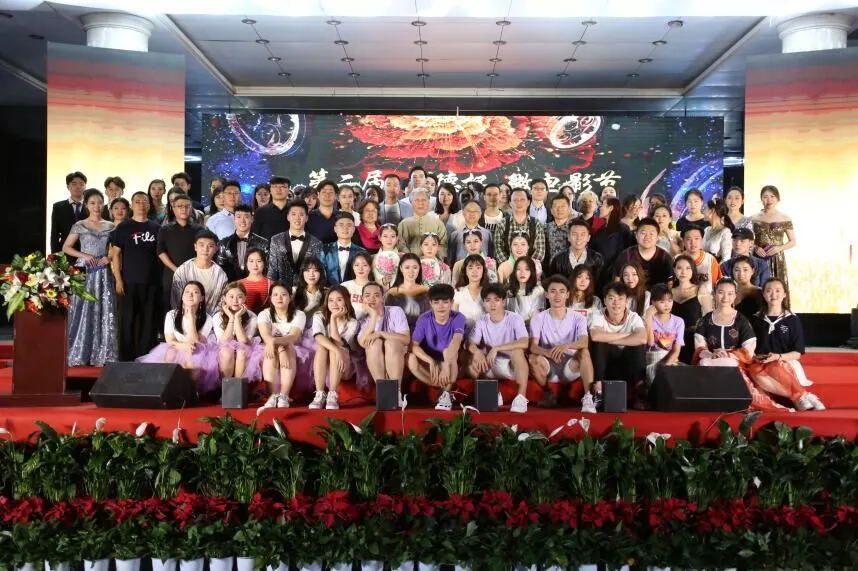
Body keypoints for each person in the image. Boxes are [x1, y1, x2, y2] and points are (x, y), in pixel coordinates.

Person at [693, 278, 789, 411]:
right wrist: (711, 354)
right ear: (714, 294)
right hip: (711, 358)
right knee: (704, 363)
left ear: (735, 296)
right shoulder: (705, 320)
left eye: (730, 293)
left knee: (729, 364)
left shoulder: (741, 320)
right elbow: (699, 345)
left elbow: (749, 348)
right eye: (720, 292)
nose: (725, 297)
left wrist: (728, 355)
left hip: (735, 361)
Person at [748, 278, 825, 411]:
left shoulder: (792, 319)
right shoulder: (755, 319)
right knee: (754, 370)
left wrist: (778, 357)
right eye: (769, 291)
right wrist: (756, 356)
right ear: (763, 294)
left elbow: (797, 353)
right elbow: (750, 345)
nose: (773, 294)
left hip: (784, 361)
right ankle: (801, 396)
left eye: (778, 291)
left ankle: (799, 397)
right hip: (760, 363)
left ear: (784, 294)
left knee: (773, 365)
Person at [62, 188, 118, 366]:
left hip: (103, 272)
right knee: (82, 309)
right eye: (92, 203)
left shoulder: (111, 226)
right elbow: (66, 247)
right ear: (86, 205)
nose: (96, 206)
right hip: (85, 270)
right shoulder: (80, 224)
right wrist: (85, 256)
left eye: (100, 202)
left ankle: (103, 353)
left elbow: (116, 250)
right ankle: (79, 351)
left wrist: (108, 258)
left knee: (103, 310)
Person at [528, 275, 595, 412]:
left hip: (570, 365)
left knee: (584, 352)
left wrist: (566, 346)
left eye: (562, 291)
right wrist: (547, 352)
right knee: (532, 358)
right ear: (547, 294)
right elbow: (532, 346)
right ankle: (547, 392)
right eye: (553, 291)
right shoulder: (538, 318)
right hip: (548, 365)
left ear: (568, 294)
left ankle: (588, 397)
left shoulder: (578, 318)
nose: (557, 295)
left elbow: (584, 342)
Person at [137, 281, 218, 394]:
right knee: (171, 354)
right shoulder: (172, 315)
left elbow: (195, 341)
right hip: (176, 346)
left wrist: (191, 317)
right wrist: (184, 346)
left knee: (193, 358)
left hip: (197, 348)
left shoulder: (207, 318)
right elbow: (170, 340)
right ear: (182, 296)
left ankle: (190, 392)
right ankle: (169, 392)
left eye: (195, 292)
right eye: (187, 292)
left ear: (201, 298)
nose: (190, 295)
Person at [110, 191, 161, 361]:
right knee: (127, 321)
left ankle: (146, 357)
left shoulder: (156, 228)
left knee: (149, 322)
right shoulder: (123, 227)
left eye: (144, 201)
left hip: (152, 282)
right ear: (132, 205)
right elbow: (116, 255)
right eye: (137, 201)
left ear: (149, 205)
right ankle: (125, 358)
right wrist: (118, 279)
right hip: (129, 282)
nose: (141, 204)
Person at [466, 284, 530, 413]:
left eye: (496, 300)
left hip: (511, 365)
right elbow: (469, 344)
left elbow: (525, 342)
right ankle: (493, 393)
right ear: (484, 303)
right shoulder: (481, 320)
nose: (492, 304)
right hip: (491, 363)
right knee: (472, 360)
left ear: (504, 302)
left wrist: (496, 348)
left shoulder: (515, 318)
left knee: (518, 352)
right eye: (488, 300)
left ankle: (521, 398)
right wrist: (477, 352)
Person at [407, 283, 466, 411]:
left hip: (450, 360)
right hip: (430, 361)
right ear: (430, 303)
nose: (441, 306)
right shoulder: (424, 318)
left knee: (450, 351)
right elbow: (414, 345)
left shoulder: (458, 317)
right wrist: (430, 361)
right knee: (411, 358)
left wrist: (445, 366)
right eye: (436, 302)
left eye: (445, 302)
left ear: (451, 303)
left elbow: (456, 341)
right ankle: (440, 386)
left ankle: (446, 394)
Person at [589, 282, 647, 406]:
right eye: (611, 298)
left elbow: (642, 338)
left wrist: (609, 339)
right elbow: (595, 336)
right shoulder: (597, 315)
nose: (616, 303)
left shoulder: (633, 317)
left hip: (627, 363)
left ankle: (640, 392)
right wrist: (629, 335)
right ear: (605, 300)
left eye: (620, 299)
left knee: (637, 346)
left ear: (626, 301)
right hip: (604, 363)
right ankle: (598, 390)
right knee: (599, 344)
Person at [257, 282, 306, 411]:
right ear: (270, 298)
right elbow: (266, 336)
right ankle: (273, 395)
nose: (279, 298)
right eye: (275, 295)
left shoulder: (299, 314)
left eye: (283, 294)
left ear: (290, 297)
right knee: (271, 351)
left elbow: (293, 336)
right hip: (270, 346)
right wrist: (279, 348)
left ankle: (284, 395)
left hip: (294, 346)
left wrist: (279, 346)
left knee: (289, 348)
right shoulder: (264, 314)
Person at [308, 286, 359, 410]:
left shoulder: (352, 322)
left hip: (343, 364)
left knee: (335, 345)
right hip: (324, 363)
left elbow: (338, 342)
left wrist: (333, 318)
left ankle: (332, 394)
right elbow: (318, 337)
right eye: (331, 300)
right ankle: (319, 394)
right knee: (323, 346)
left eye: (339, 300)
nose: (334, 304)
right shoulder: (319, 316)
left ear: (346, 301)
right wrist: (335, 350)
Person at [157, 193, 204, 316]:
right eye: (180, 206)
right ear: (173, 208)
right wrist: (176, 269)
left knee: (194, 306)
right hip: (171, 274)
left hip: (193, 273)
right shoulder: (165, 229)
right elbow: (160, 252)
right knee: (170, 308)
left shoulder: (199, 230)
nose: (183, 209)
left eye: (187, 206)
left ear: (191, 208)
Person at [358, 282, 411, 384]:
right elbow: (363, 343)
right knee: (375, 344)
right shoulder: (362, 319)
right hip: (375, 358)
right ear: (362, 299)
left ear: (382, 298)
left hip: (397, 355)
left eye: (376, 295)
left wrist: (381, 334)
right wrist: (373, 315)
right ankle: (383, 389)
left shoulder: (395, 311)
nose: (372, 298)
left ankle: (395, 390)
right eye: (367, 296)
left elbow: (406, 339)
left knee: (390, 343)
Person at [267, 199, 323, 288]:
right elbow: (272, 272)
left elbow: (318, 272)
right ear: (288, 217)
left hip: (306, 292)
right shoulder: (276, 240)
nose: (297, 218)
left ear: (306, 218)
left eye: (301, 214)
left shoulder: (316, 243)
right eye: (293, 214)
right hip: (282, 292)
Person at [213, 281, 262, 381]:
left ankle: (238, 387)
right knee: (227, 351)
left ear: (245, 298)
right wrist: (231, 318)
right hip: (223, 349)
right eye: (231, 297)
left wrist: (237, 317)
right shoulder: (218, 316)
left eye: (239, 297)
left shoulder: (252, 316)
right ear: (224, 298)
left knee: (242, 351)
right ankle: (226, 387)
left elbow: (243, 341)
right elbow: (224, 341)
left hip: (246, 348)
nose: (235, 300)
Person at [171, 230, 228, 314]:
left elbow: (222, 302)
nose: (205, 249)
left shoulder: (220, 275)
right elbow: (176, 299)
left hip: (211, 317)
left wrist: (210, 319)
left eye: (210, 246)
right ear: (195, 247)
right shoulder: (182, 271)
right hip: (184, 315)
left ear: (216, 249)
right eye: (201, 245)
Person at [670, 254, 712, 364]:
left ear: (693, 270)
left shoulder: (700, 289)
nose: (683, 272)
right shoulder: (668, 292)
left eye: (688, 268)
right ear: (674, 270)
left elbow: (709, 317)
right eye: (679, 268)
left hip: (693, 338)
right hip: (672, 338)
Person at [752, 185, 796, 286]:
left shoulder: (785, 218)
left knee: (777, 286)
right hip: (759, 257)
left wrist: (779, 248)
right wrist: (755, 248)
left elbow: (793, 241)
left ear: (778, 199)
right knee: (758, 286)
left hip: (777, 258)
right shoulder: (753, 218)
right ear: (761, 199)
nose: (769, 200)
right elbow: (747, 240)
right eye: (765, 197)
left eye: (772, 196)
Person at [613, 218, 674, 290]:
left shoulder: (665, 257)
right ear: (636, 235)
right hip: (630, 294)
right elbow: (617, 282)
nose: (647, 237)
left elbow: (670, 284)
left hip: (657, 296)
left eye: (651, 234)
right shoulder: (626, 255)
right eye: (643, 233)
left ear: (657, 237)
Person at [642, 284, 684, 387]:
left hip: (669, 359)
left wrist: (665, 367)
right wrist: (648, 317)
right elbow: (650, 343)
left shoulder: (678, 321)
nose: (667, 305)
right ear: (653, 303)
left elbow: (676, 351)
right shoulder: (645, 319)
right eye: (662, 302)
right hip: (651, 358)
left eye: (670, 301)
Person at [215, 204, 269, 281]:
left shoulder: (263, 243)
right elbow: (220, 269)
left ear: (252, 219)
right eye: (239, 217)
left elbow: (266, 268)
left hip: (256, 284)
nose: (242, 221)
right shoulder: (224, 243)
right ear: (234, 219)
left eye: (246, 217)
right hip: (231, 285)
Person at [590, 197, 635, 288]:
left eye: (603, 205)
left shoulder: (623, 229)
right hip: (600, 276)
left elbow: (628, 252)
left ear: (610, 208)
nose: (600, 208)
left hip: (617, 275)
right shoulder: (600, 230)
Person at [493, 188, 546, 262]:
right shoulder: (502, 223)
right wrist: (510, 265)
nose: (519, 203)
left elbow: (540, 251)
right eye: (515, 200)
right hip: (507, 267)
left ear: (528, 202)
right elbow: (498, 248)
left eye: (522, 199)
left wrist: (526, 266)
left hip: (531, 267)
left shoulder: (537, 224)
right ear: (510, 203)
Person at [548, 218, 605, 282]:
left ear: (588, 238)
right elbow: (553, 283)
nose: (579, 238)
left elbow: (599, 283)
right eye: (574, 234)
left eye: (583, 234)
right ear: (568, 237)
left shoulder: (596, 258)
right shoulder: (558, 260)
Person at [397, 188, 448, 256]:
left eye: (423, 200)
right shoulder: (404, 224)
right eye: (417, 200)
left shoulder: (438, 224)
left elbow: (443, 245)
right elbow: (401, 245)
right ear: (411, 203)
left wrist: (431, 259)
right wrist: (411, 258)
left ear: (428, 202)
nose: (420, 203)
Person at [320, 212, 366, 286]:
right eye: (341, 225)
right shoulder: (324, 250)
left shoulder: (362, 252)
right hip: (329, 291)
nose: (345, 228)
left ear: (354, 229)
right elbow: (320, 273)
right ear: (335, 229)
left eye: (349, 225)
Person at [385, 253, 430, 327]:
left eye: (415, 267)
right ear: (401, 268)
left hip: (422, 331)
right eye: (407, 267)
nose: (411, 271)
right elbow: (387, 320)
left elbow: (431, 318)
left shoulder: (427, 291)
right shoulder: (392, 292)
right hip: (398, 332)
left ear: (419, 268)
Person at [51, 171, 88, 254]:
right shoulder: (58, 207)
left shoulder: (91, 206)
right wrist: (54, 255)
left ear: (85, 187)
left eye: (81, 184)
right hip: (65, 252)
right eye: (74, 184)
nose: (78, 186)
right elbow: (54, 234)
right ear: (68, 187)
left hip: (87, 252)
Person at [453, 254, 488, 332]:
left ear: (483, 270)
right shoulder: (458, 292)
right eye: (470, 268)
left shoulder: (488, 292)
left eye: (478, 267)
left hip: (485, 334)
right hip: (462, 333)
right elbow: (453, 318)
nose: (474, 271)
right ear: (465, 271)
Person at [680, 225, 721, 292]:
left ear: (702, 240)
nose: (693, 242)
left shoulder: (710, 260)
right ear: (683, 241)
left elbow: (718, 285)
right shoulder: (677, 259)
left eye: (696, 238)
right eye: (688, 239)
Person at [507, 256, 545, 324]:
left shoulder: (539, 291)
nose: (522, 272)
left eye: (527, 269)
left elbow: (537, 316)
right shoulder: (509, 292)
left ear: (532, 271)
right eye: (518, 269)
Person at [341, 252, 374, 320]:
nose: (360, 268)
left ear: (370, 267)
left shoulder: (375, 288)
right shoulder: (344, 286)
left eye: (365, 265)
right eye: (357, 265)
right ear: (353, 267)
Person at [544, 194, 577, 262]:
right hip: (551, 266)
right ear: (551, 210)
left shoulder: (576, 227)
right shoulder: (545, 228)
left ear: (569, 209)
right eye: (556, 206)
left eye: (563, 206)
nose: (559, 209)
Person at [239, 248, 272, 314]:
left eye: (259, 261)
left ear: (264, 263)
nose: (255, 265)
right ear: (246, 263)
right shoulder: (237, 284)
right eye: (251, 261)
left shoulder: (272, 284)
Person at [307, 179, 339, 243]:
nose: (327, 195)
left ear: (335, 196)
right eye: (324, 192)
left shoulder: (342, 217)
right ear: (318, 195)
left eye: (331, 192)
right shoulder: (308, 217)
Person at [372, 223, 401, 289]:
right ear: (380, 237)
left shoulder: (403, 257)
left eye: (392, 236)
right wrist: (382, 281)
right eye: (385, 236)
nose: (389, 239)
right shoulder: (373, 258)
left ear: (397, 238)